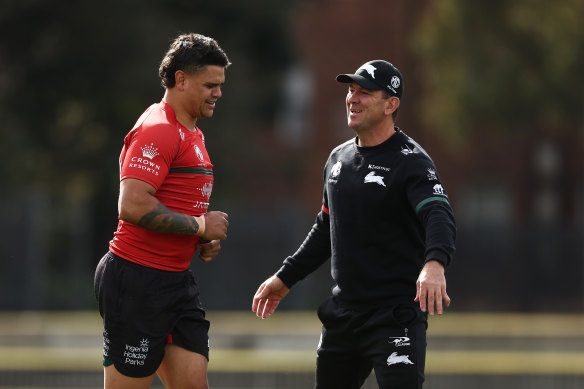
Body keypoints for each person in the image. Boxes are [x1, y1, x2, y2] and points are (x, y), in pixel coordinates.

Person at [252, 60, 456, 388]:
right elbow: (326, 228)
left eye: (364, 92)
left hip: (394, 316)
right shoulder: (337, 160)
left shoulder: (411, 161)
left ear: (391, 104)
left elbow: (438, 213)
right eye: (351, 90)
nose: (352, 98)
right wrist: (285, 277)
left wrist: (434, 265)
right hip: (344, 315)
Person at [94, 33, 231, 389]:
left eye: (220, 85)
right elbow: (133, 204)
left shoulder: (193, 132)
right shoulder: (158, 129)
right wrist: (200, 226)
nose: (218, 92)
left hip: (176, 281)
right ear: (181, 79)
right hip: (135, 279)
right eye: (210, 85)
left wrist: (198, 237)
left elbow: (174, 203)